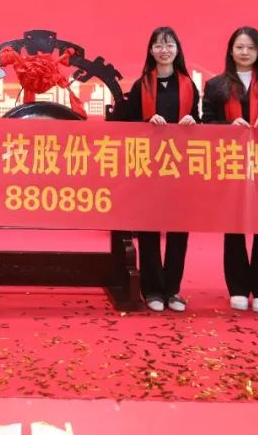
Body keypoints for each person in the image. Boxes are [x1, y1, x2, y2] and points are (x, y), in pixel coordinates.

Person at [201, 26, 258, 314]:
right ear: (231, 51)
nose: (245, 52)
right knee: (234, 227)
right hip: (231, 163)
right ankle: (238, 288)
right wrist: (229, 127)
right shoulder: (215, 86)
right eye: (239, 47)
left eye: (250, 48)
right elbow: (207, 122)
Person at [111, 27, 200, 312]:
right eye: (159, 45)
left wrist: (193, 121)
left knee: (178, 230)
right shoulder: (142, 85)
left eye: (169, 45)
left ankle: (172, 290)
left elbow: (201, 123)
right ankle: (152, 290)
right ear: (150, 51)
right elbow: (126, 123)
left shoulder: (189, 85)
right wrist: (146, 121)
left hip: (180, 167)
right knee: (148, 229)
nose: (164, 50)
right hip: (148, 166)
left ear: (177, 50)